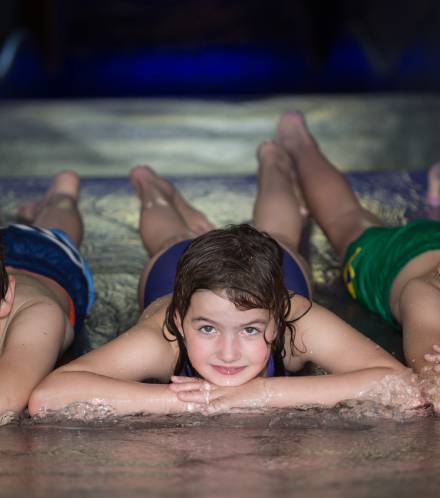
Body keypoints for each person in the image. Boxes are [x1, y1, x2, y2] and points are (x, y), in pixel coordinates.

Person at [29, 143, 421, 418]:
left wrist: (261, 394)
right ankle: (153, 191)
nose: (228, 353)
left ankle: (273, 163)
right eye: (207, 329)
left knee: (280, 236)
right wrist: (188, 401)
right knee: (171, 241)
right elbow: (49, 397)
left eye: (251, 330)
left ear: (278, 320)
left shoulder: (297, 321)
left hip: (270, 270)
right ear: (180, 322)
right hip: (173, 275)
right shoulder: (162, 338)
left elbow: (402, 385)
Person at [275, 110, 440, 379]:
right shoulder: (424, 296)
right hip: (385, 258)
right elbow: (434, 381)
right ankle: (301, 146)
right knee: (346, 220)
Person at [0, 170, 94, 416]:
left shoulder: (39, 318)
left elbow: (6, 399)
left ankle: (62, 196)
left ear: (5, 301)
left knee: (58, 225)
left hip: (50, 260)